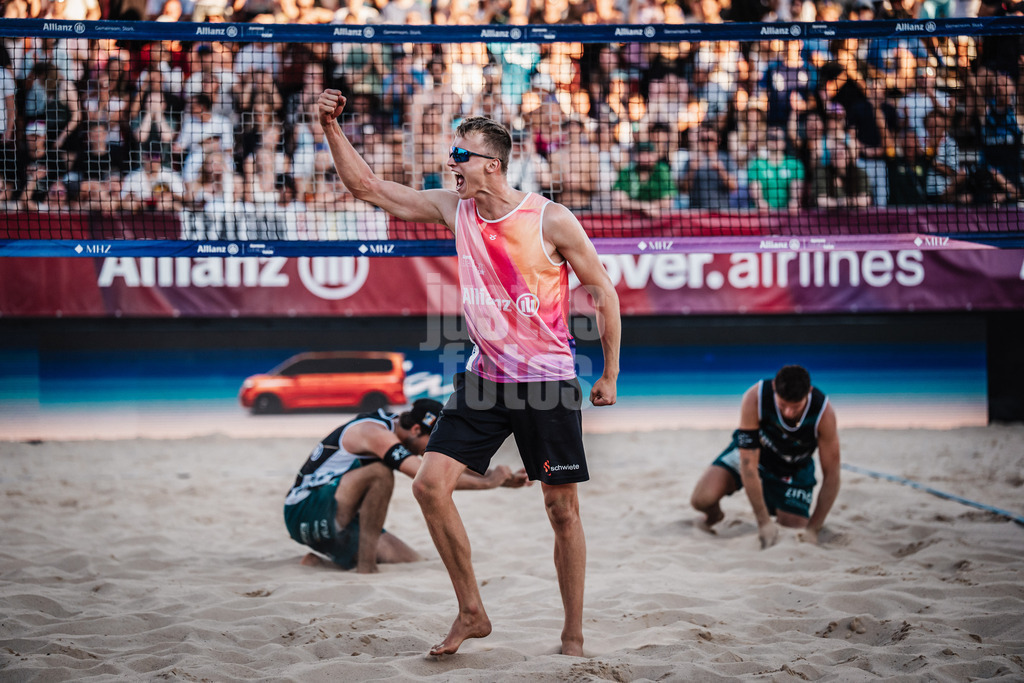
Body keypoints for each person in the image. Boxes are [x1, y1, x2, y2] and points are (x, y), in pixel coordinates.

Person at [316, 88, 620, 657]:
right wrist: (332, 127)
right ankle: (472, 611)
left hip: (547, 384)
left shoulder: (550, 219)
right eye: (451, 155)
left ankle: (573, 635)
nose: (450, 163)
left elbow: (603, 291)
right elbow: (370, 189)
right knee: (431, 486)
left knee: (561, 509)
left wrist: (610, 373)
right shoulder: (454, 209)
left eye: (461, 155)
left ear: (492, 164)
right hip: (484, 379)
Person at [285, 399, 527, 573]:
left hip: (335, 513)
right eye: (428, 444)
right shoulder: (373, 432)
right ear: (414, 429)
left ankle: (321, 562)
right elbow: (429, 476)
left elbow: (445, 464)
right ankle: (365, 568)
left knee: (409, 559)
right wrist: (487, 485)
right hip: (304, 509)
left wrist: (499, 479)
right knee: (381, 474)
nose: (427, 451)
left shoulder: (393, 428)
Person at [689, 365, 841, 550]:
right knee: (701, 500)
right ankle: (715, 516)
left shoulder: (823, 413)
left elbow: (832, 476)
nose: (788, 413)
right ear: (775, 387)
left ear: (808, 392)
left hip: (793, 466)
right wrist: (763, 521)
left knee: (794, 527)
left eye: (796, 407)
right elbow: (747, 464)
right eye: (783, 405)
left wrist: (813, 530)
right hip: (757, 456)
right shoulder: (755, 397)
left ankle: (787, 509)